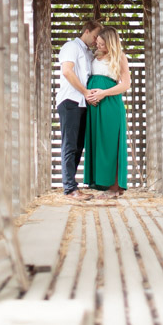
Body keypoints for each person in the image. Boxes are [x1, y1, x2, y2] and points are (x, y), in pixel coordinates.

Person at [56, 20, 102, 201]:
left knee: (78, 146)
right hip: (70, 101)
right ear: (87, 31)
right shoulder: (71, 47)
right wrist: (85, 92)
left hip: (82, 103)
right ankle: (69, 189)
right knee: (69, 145)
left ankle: (72, 187)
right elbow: (67, 71)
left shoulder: (88, 53)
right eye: (95, 35)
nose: (96, 39)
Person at [83, 26, 131, 198]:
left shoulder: (120, 57)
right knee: (97, 142)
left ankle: (113, 187)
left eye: (102, 44)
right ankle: (99, 183)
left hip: (110, 104)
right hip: (95, 107)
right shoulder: (94, 56)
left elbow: (125, 84)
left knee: (111, 144)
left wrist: (102, 93)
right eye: (98, 43)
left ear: (110, 43)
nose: (98, 46)